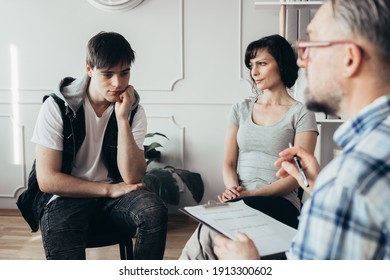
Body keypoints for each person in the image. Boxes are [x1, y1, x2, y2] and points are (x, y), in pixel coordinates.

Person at [214, 0, 390, 260]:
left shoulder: (349, 182)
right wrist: (318, 186)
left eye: (312, 46)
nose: (303, 62)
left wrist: (249, 267)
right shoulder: (366, 159)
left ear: (349, 58)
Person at [16, 31, 168, 259]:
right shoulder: (57, 106)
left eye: (124, 72)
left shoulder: (133, 110)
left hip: (116, 197)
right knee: (60, 230)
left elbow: (131, 177)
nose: (118, 83)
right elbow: (47, 180)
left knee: (153, 210)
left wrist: (122, 119)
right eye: (107, 74)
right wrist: (107, 189)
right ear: (89, 70)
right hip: (65, 198)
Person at [179, 34, 318, 260]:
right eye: (251, 65)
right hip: (241, 197)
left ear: (281, 65)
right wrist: (234, 189)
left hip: (279, 201)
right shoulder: (240, 108)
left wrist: (252, 194)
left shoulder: (301, 113)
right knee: (211, 229)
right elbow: (229, 162)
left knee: (211, 231)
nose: (254, 72)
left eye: (262, 64)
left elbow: (299, 176)